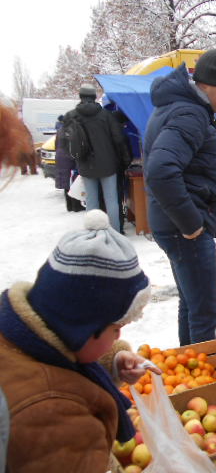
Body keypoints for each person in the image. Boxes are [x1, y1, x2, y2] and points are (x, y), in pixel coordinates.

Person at [0, 209, 159, 472]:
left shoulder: (17, 338)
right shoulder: (57, 416)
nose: (119, 336)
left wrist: (111, 363)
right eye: (115, 328)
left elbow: (61, 361)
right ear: (84, 328)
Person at [144, 49, 216, 346]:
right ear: (208, 85)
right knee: (204, 311)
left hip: (172, 224)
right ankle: (205, 370)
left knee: (191, 304)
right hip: (183, 228)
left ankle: (189, 363)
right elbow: (161, 170)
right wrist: (190, 223)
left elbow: (187, 162)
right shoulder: (190, 114)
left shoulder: (183, 108)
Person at [63, 84, 130, 232]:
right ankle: (115, 233)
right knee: (111, 200)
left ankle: (93, 233)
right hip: (108, 164)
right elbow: (118, 139)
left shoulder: (71, 116)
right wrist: (125, 160)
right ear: (94, 97)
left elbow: (65, 143)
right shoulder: (106, 116)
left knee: (91, 200)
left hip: (85, 164)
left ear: (80, 96)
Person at [54, 114, 84, 212]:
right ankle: (76, 206)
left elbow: (56, 144)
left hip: (61, 157)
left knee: (67, 182)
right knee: (74, 180)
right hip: (69, 157)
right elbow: (74, 145)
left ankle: (69, 206)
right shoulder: (72, 129)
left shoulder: (61, 129)